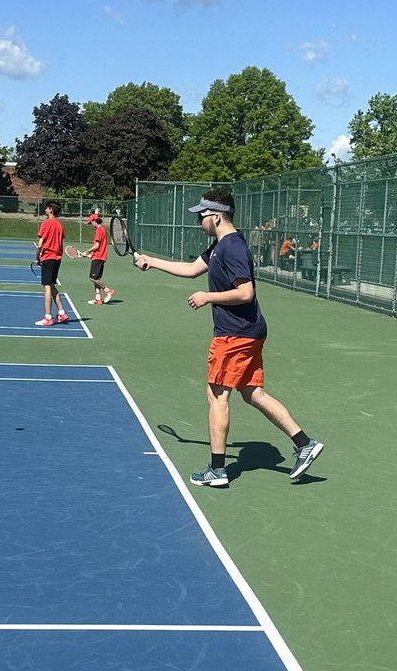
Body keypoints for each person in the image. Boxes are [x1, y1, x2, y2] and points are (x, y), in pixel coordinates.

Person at [134, 189, 324, 488]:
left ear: (217, 216)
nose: (199, 222)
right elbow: (191, 269)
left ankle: (218, 470)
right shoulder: (218, 247)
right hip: (247, 331)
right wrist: (152, 261)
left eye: (202, 216)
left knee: (217, 396)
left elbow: (245, 292)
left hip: (235, 334)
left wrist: (208, 297)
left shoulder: (232, 247)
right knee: (252, 393)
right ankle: (304, 444)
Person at [34, 200, 69, 325]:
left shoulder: (46, 224)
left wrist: (37, 257)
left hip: (48, 258)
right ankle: (62, 313)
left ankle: (48, 317)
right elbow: (60, 242)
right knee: (52, 285)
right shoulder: (60, 225)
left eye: (46, 208)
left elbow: (40, 245)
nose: (44, 210)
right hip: (57, 259)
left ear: (50, 210)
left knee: (47, 287)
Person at [84, 212, 114, 305]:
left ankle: (108, 290)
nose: (91, 224)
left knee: (92, 278)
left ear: (94, 221)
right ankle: (98, 299)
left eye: (91, 222)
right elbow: (99, 246)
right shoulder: (102, 230)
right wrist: (91, 255)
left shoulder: (99, 230)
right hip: (98, 256)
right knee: (96, 277)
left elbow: (97, 246)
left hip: (99, 257)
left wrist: (87, 251)